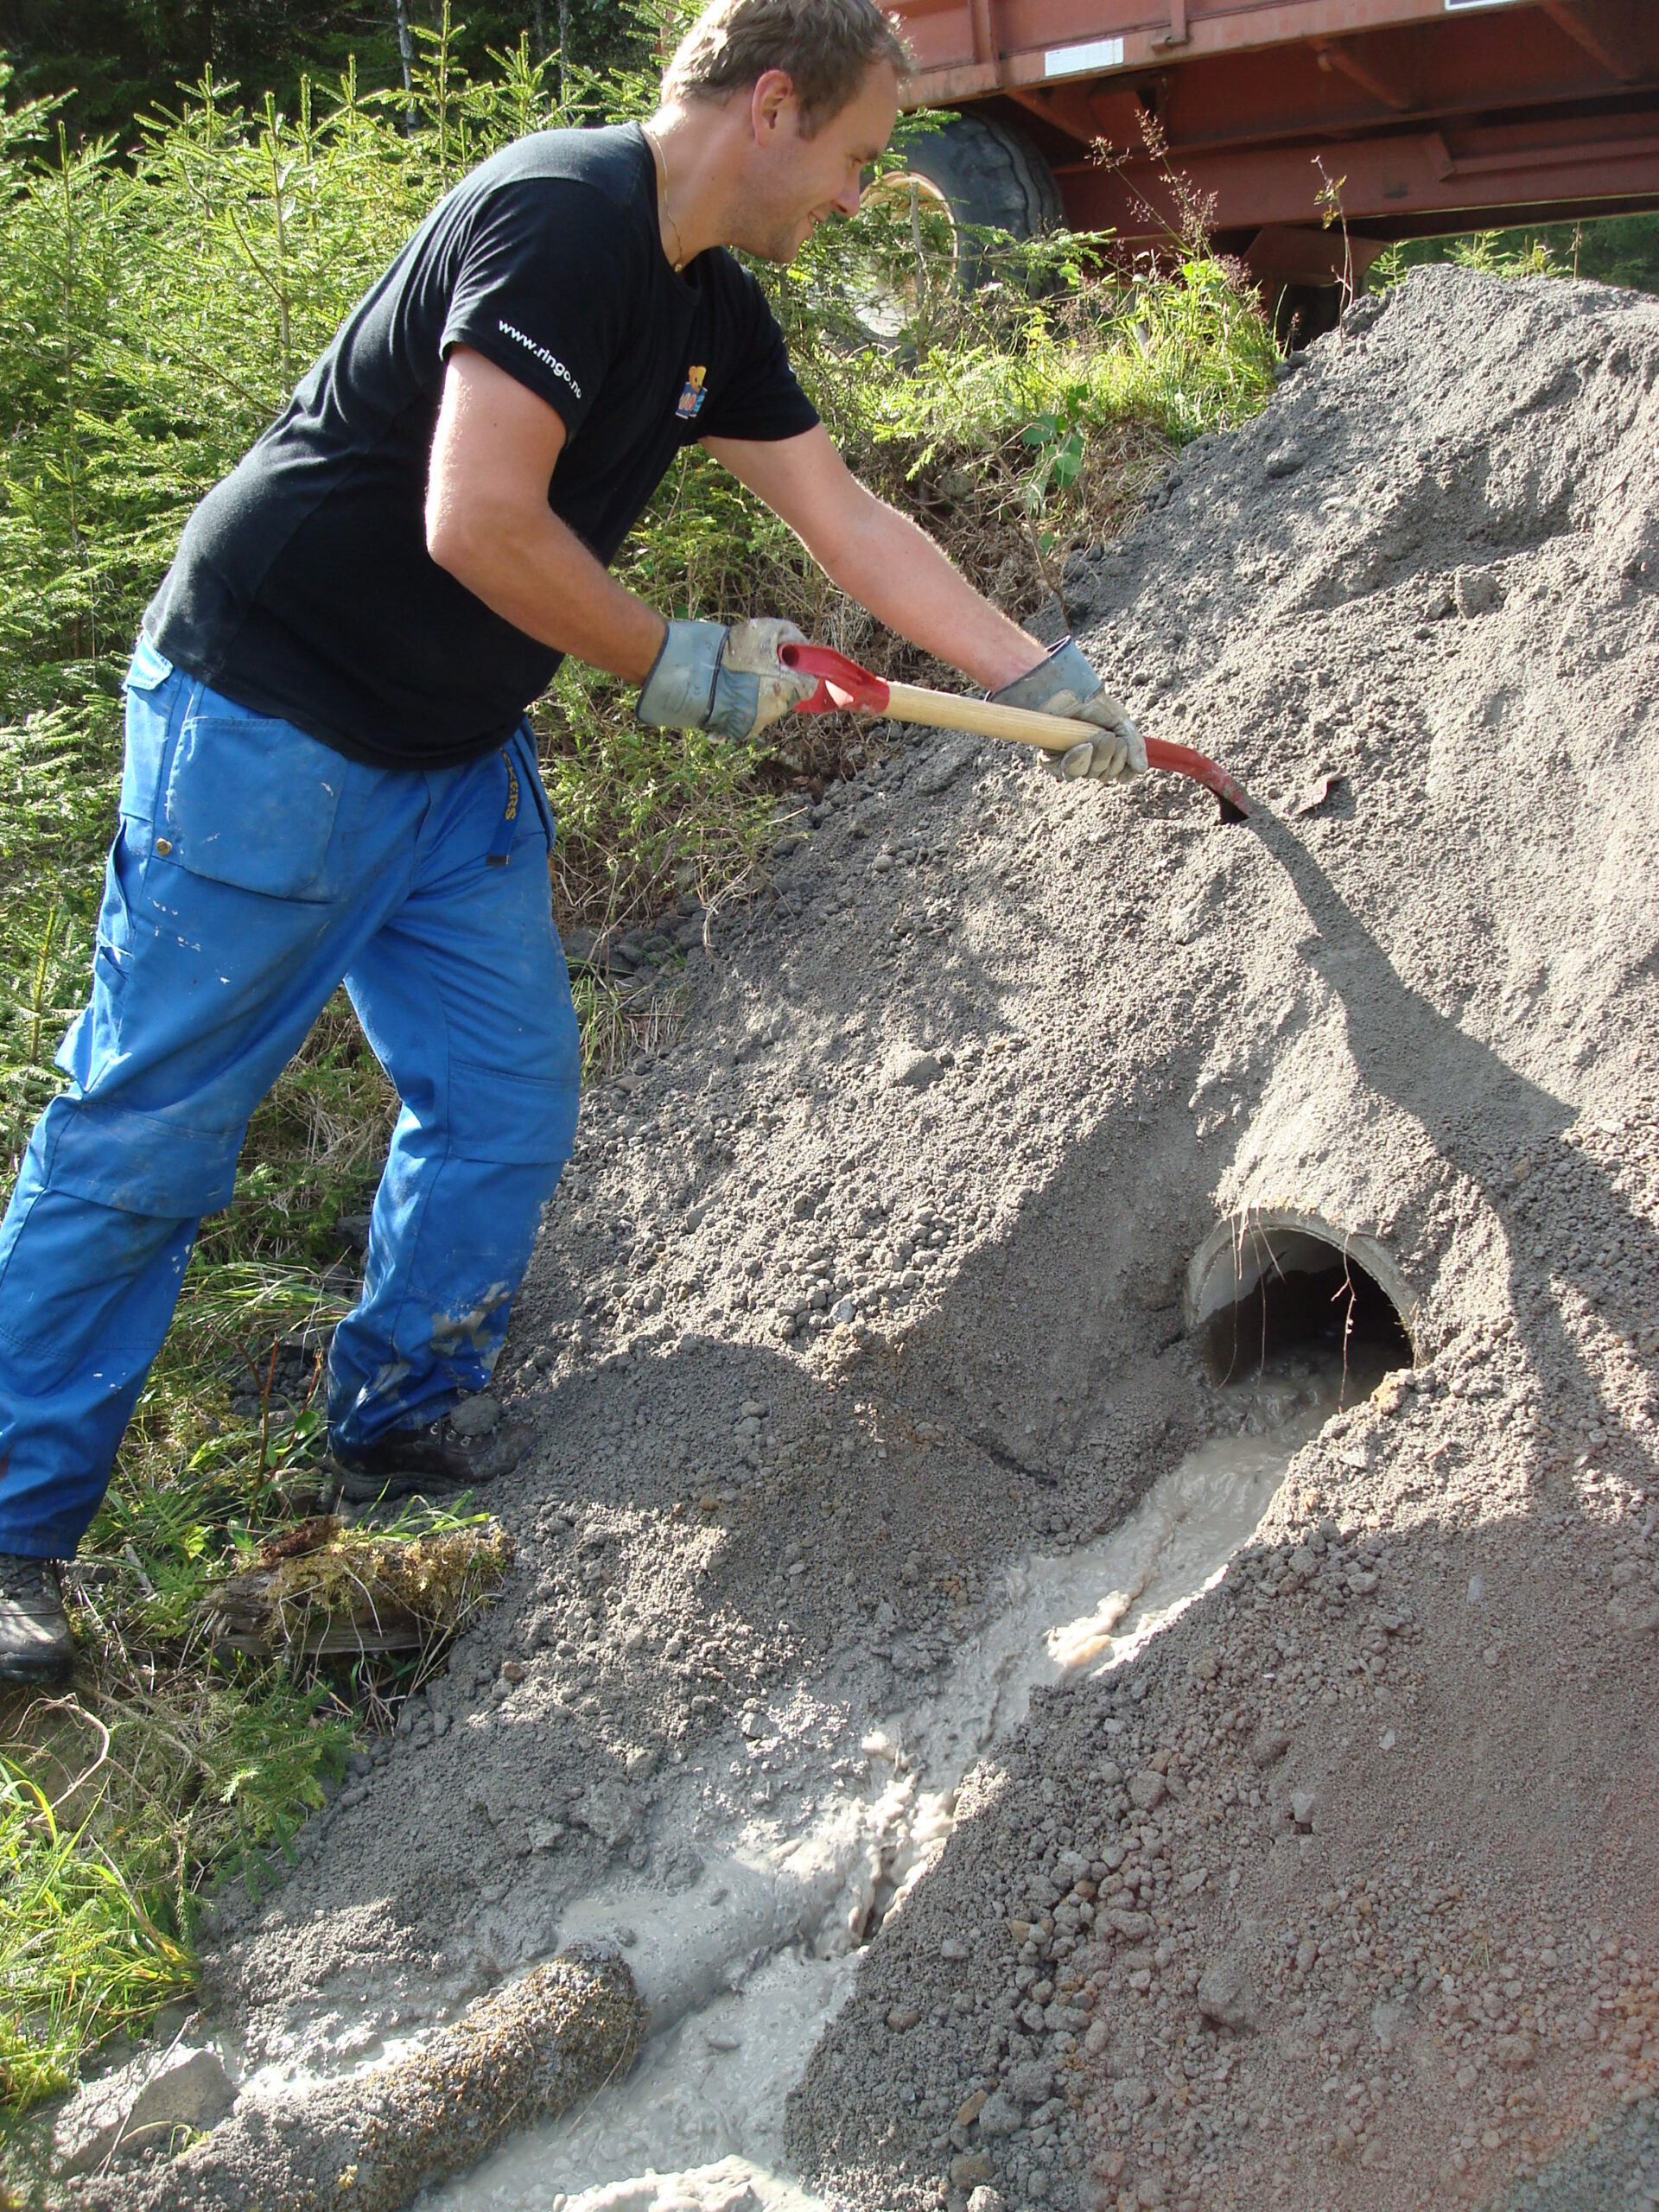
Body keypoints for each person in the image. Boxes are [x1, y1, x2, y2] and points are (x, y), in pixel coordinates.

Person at [0, 0, 1145, 1683]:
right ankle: (13, 1533)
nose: (856, 195)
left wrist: (1038, 679)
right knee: (149, 1132)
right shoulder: (559, 218)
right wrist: (674, 659)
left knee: (506, 1099)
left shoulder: (708, 305)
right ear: (772, 105)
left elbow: (846, 518)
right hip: (272, 727)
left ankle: (400, 1415)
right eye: (854, 156)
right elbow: (476, 516)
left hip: (449, 751)